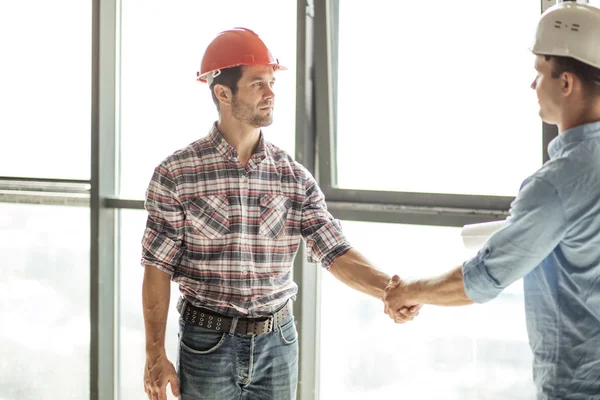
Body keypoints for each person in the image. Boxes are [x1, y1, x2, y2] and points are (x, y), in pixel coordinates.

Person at [141, 27, 417, 400]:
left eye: (272, 82)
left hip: (278, 343)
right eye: (258, 84)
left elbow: (334, 250)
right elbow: (157, 268)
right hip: (207, 344)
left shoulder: (292, 176)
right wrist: (154, 353)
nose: (271, 93)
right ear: (223, 93)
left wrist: (388, 289)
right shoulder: (176, 174)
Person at [384, 3, 600, 399]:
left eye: (539, 73)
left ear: (566, 83)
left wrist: (407, 291)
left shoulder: (556, 184)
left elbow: (480, 280)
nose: (532, 86)